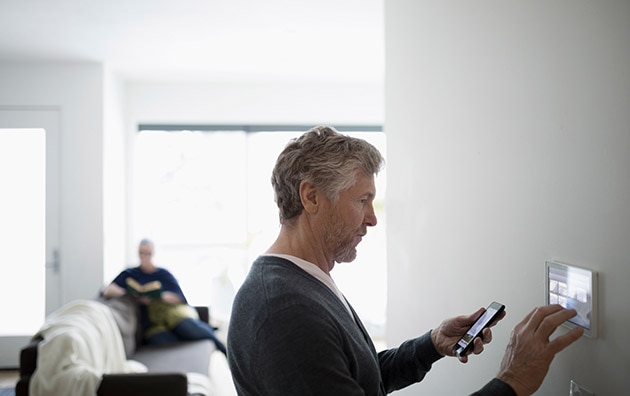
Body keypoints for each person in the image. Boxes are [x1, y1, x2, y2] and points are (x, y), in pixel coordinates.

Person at [227, 126, 583, 395]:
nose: (372, 218)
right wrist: (512, 381)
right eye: (362, 201)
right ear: (311, 197)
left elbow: (357, 378)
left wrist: (430, 344)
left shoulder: (299, 282)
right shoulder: (285, 311)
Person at [103, 238, 227, 355]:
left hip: (174, 315)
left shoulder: (163, 274)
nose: (144, 256)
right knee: (160, 341)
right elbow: (108, 290)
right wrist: (129, 293)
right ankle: (202, 333)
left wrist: (159, 296)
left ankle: (225, 351)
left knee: (189, 329)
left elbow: (180, 298)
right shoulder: (130, 274)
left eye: (148, 253)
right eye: (141, 253)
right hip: (153, 324)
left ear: (153, 253)